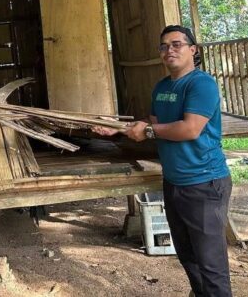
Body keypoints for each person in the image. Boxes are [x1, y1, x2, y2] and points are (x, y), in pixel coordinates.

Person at [94, 25, 232, 297]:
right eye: (164, 46)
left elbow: (189, 129)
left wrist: (146, 131)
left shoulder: (201, 84)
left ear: (193, 50)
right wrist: (119, 128)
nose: (170, 50)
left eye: (177, 44)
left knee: (211, 263)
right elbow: (155, 123)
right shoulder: (162, 87)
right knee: (188, 256)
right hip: (174, 182)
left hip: (205, 182)